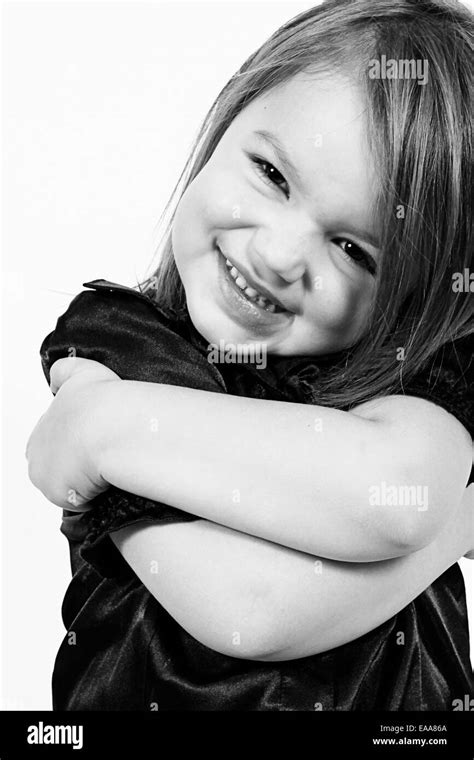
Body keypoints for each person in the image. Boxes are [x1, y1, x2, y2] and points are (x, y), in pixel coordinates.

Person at [27, 0, 473, 710]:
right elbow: (243, 608)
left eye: (354, 250)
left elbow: (399, 499)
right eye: (271, 173)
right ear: (229, 113)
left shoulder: (413, 377)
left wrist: (107, 430)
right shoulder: (120, 345)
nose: (275, 254)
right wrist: (465, 520)